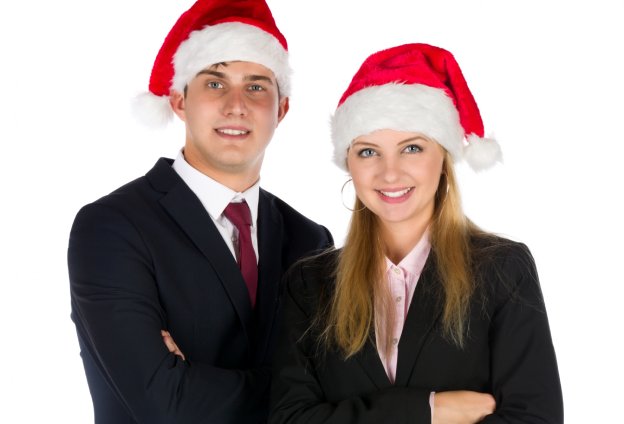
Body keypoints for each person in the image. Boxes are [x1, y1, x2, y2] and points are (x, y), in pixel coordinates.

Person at [269, 43, 563, 423]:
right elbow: (290, 419)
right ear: (349, 164)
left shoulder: (501, 269)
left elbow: (534, 418)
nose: (389, 174)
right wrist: (429, 410)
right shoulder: (310, 284)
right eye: (368, 152)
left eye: (411, 148)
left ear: (443, 158)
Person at [68, 0, 333, 422]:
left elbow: (337, 386)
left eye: (257, 85)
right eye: (214, 83)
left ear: (281, 110)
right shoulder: (112, 227)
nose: (236, 105)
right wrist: (295, 391)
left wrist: (191, 376)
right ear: (179, 100)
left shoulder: (310, 240)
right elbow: (163, 402)